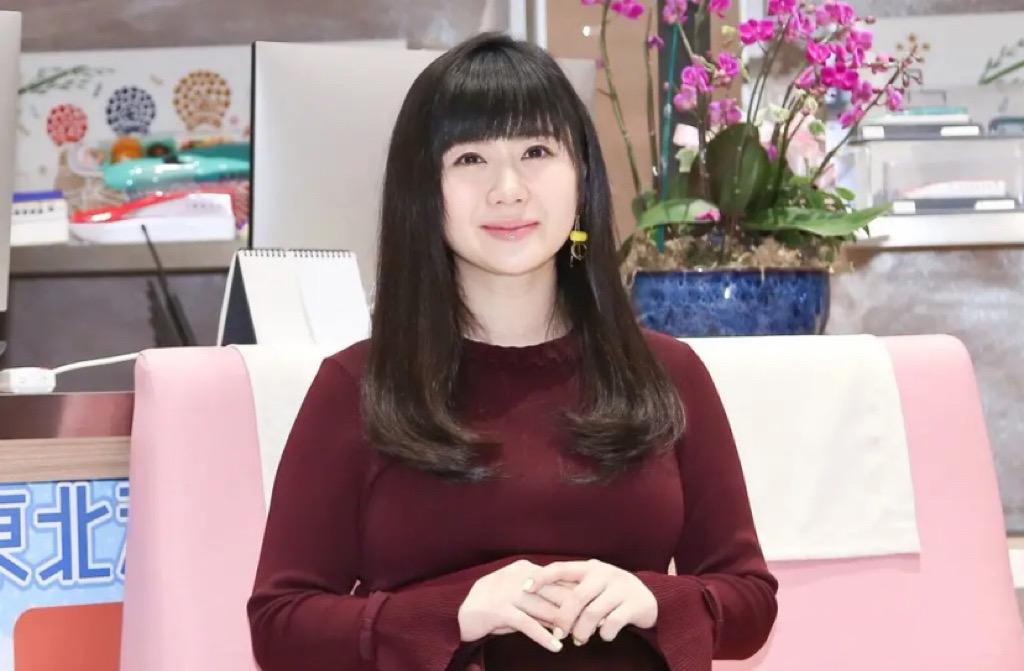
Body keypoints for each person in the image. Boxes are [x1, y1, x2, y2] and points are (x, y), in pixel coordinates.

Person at [247, 31, 777, 671]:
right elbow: (280, 626)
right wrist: (454, 612)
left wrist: (653, 599)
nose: (508, 188)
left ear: (582, 178)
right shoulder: (358, 384)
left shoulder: (667, 373)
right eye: (470, 158)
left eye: (536, 151)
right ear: (424, 190)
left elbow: (749, 602)